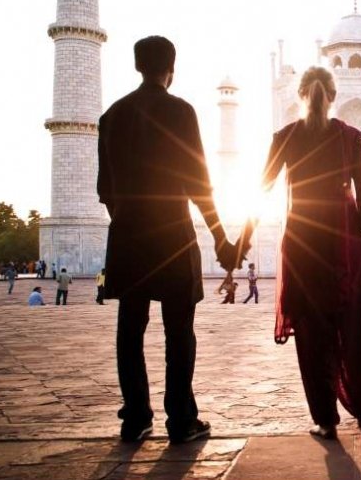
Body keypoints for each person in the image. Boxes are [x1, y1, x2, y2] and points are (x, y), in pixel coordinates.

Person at [98, 36, 238, 444]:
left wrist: (126, 221)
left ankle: (136, 416)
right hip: (173, 236)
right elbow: (199, 183)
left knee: (130, 327)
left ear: (137, 66)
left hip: (127, 236)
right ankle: (181, 419)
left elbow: (105, 189)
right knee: (179, 330)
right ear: (171, 69)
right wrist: (218, 236)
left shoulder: (112, 116)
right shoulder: (180, 111)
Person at [259, 66, 361, 441]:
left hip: (302, 240)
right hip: (345, 241)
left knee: (312, 332)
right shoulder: (348, 137)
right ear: (333, 95)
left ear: (300, 95)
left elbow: (260, 188)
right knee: (353, 328)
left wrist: (237, 241)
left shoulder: (286, 136)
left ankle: (325, 420)